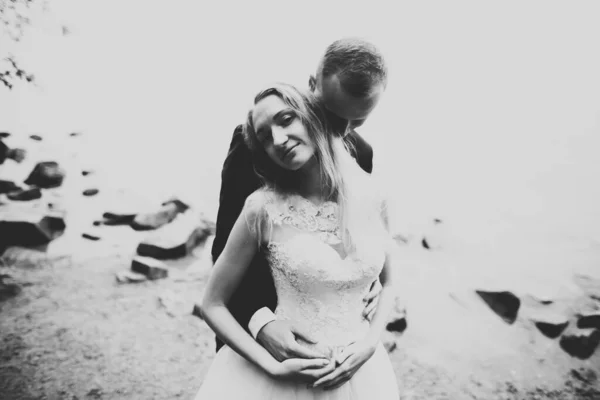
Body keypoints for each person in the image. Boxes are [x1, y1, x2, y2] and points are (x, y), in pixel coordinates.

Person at [197, 83, 399, 398]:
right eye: (264, 136)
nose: (277, 139)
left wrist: (371, 342)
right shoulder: (262, 208)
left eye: (287, 118)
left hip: (362, 370)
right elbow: (213, 300)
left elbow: (390, 278)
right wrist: (270, 360)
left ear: (314, 115)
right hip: (284, 371)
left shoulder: (374, 191)